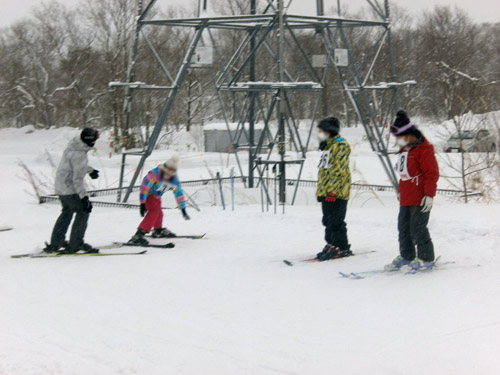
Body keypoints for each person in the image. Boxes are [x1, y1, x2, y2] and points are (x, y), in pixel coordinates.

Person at [388, 110, 439, 270]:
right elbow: (404, 173)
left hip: (420, 196)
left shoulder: (424, 149)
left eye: (401, 137)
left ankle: (426, 258)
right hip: (406, 195)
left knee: (417, 227)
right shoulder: (405, 149)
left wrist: (429, 195)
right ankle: (407, 255)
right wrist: (401, 191)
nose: (399, 141)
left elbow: (432, 174)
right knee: (403, 227)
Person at [44, 128, 100, 253]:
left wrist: (90, 170)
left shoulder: (73, 147)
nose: (96, 141)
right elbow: (77, 179)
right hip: (69, 188)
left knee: (67, 211)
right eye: (95, 138)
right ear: (89, 140)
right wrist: (84, 198)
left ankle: (56, 242)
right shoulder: (80, 154)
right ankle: (76, 243)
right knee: (83, 211)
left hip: (60, 185)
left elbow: (74, 166)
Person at [128, 156, 190, 245]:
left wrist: (183, 209)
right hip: (148, 195)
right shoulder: (155, 174)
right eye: (169, 170)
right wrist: (142, 203)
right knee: (154, 212)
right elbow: (144, 189)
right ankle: (139, 234)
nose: (170, 173)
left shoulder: (174, 179)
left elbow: (179, 193)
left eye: (173, 171)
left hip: (157, 197)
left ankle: (158, 230)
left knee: (159, 213)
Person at [315, 117, 352, 261]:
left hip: (338, 191)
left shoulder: (341, 145)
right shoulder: (328, 145)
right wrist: (322, 191)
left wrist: (332, 191)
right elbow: (324, 171)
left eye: (323, 130)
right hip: (327, 190)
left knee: (336, 220)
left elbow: (338, 171)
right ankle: (331, 243)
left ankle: (341, 246)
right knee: (327, 220)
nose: (321, 132)